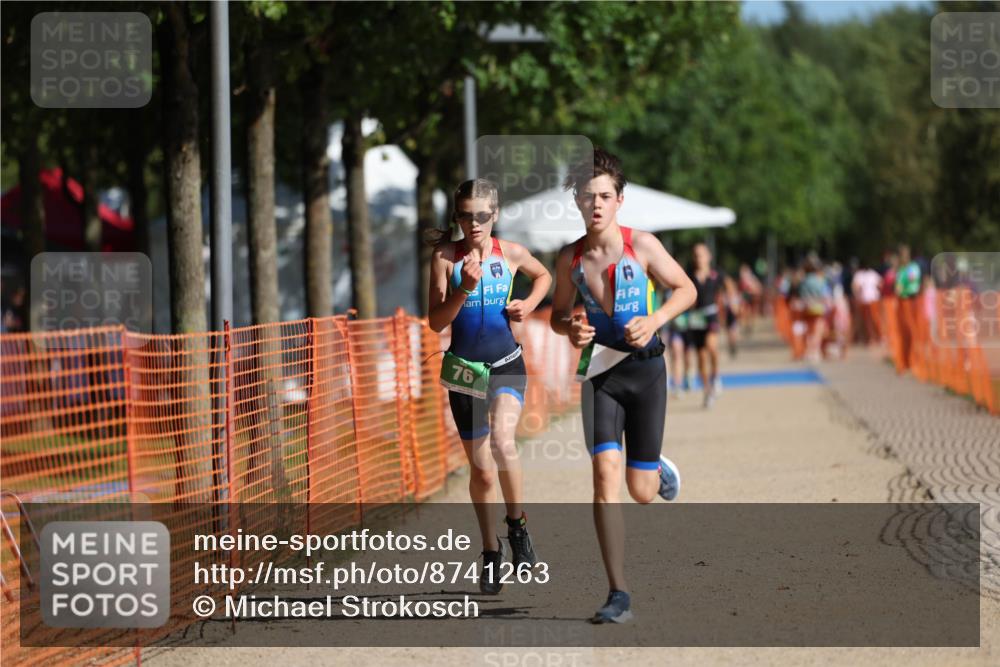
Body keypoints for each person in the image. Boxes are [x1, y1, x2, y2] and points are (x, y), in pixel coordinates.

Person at [549, 148, 696, 624]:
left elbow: (687, 289)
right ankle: (618, 592)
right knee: (603, 479)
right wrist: (569, 329)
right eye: (588, 196)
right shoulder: (568, 259)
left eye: (605, 196)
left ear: (619, 201)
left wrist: (654, 319)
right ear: (576, 200)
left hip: (647, 370)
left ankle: (658, 472)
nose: (596, 204)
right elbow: (555, 315)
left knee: (641, 491)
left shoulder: (644, 246)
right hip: (600, 377)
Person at [427, 178, 552, 594]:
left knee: (503, 441)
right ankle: (490, 551)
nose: (474, 223)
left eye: (482, 215)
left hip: (505, 365)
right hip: (464, 372)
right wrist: (464, 287)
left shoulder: (511, 254)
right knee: (481, 472)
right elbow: (436, 322)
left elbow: (544, 277)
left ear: (494, 215)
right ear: (458, 217)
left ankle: (518, 528)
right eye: (466, 215)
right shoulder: (445, 258)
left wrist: (530, 304)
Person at [687, 243, 725, 408]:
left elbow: (727, 289)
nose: (698, 258)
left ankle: (716, 377)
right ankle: (707, 391)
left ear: (708, 256)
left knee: (712, 347)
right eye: (695, 255)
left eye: (701, 254)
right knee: (701, 358)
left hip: (711, 316)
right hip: (696, 318)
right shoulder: (689, 276)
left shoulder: (716, 275)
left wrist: (731, 305)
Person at [851, 260, 883, 345]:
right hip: (863, 301)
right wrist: (857, 294)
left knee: (874, 319)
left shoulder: (873, 274)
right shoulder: (859, 275)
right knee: (865, 321)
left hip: (873, 300)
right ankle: (868, 338)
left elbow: (880, 283)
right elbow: (855, 286)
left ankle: (878, 337)